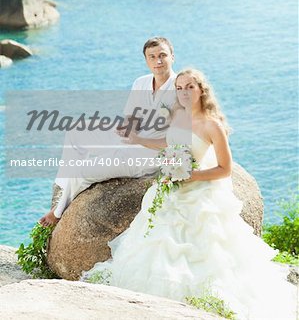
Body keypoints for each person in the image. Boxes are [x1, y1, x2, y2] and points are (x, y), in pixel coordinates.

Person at [82, 68, 297, 320]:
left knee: (202, 248)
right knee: (156, 238)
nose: (184, 92)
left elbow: (224, 169)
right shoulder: (177, 116)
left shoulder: (212, 125)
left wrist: (190, 176)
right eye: (180, 88)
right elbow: (169, 143)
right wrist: (138, 139)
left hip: (199, 193)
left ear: (201, 90)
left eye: (190, 87)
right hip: (171, 188)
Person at [39, 37, 177, 226]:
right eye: (152, 57)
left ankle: (58, 212)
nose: (158, 61)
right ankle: (62, 186)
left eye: (163, 55)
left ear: (172, 57)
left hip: (151, 154)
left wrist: (137, 139)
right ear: (146, 60)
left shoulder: (180, 87)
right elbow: (131, 116)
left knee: (82, 171)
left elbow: (178, 140)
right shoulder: (141, 82)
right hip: (133, 137)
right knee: (75, 131)